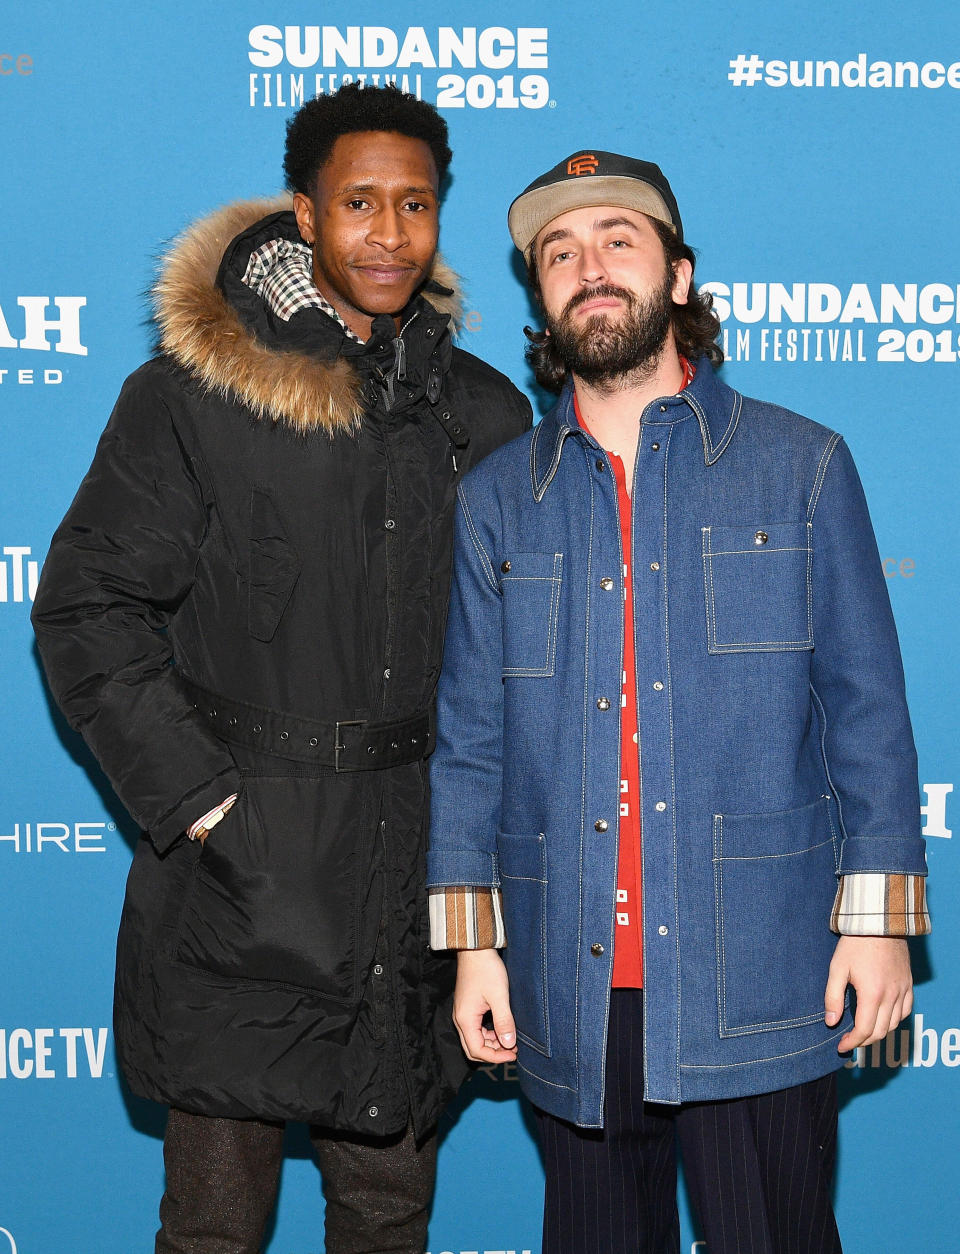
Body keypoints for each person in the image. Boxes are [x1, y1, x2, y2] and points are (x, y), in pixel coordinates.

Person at [31, 84, 531, 1254]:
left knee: (386, 1212)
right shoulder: (197, 396)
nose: (389, 234)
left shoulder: (483, 412)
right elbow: (86, 605)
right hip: (240, 886)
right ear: (305, 215)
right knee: (213, 1226)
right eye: (359, 202)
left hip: (415, 876)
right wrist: (204, 806)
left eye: (416, 204)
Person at [426, 150, 929, 1254]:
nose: (588, 267)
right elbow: (468, 740)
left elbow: (868, 710)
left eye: (618, 240)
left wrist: (881, 917)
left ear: (680, 276)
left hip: (759, 959)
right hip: (569, 969)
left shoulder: (801, 465)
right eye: (559, 253)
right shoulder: (499, 501)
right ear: (543, 298)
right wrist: (474, 946)